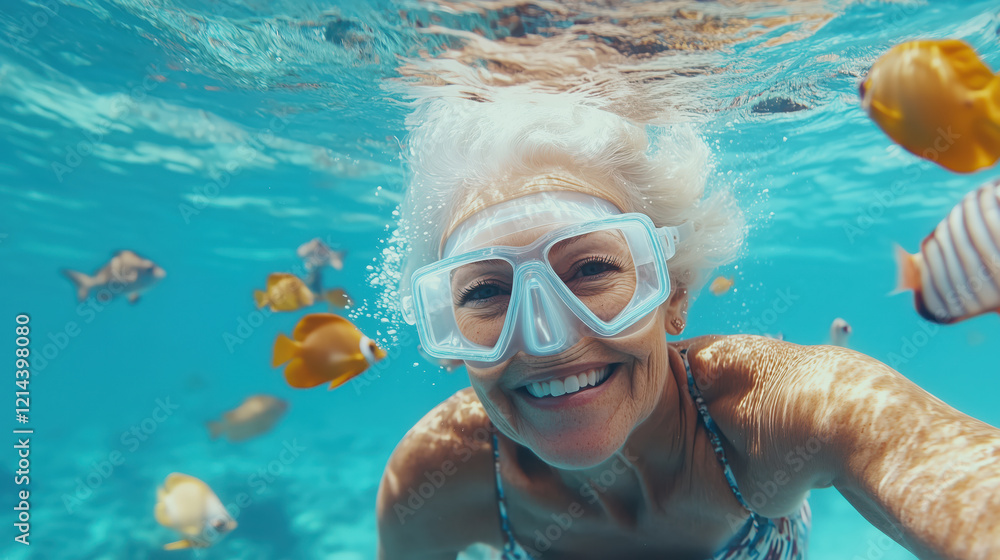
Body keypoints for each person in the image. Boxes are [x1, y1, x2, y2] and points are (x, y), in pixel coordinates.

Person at [375, 89, 1000, 560]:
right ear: (446, 334)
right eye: (486, 292)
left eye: (592, 269)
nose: (549, 339)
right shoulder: (434, 477)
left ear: (672, 290)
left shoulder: (773, 412)